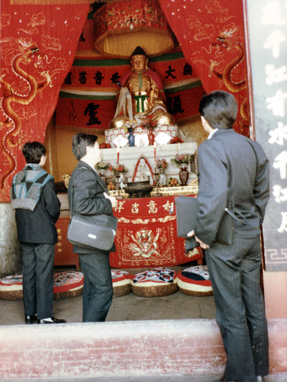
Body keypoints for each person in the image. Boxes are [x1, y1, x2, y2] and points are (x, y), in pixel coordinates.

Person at [187, 91, 270, 382]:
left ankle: (241, 376)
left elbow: (213, 197)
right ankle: (258, 370)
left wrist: (205, 234)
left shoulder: (210, 149)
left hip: (224, 238)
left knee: (230, 309)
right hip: (250, 234)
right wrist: (252, 220)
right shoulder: (252, 146)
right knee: (254, 304)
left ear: (204, 120)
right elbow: (262, 192)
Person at [10, 141, 65, 324]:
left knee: (29, 273)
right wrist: (50, 221)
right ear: (42, 158)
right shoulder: (45, 178)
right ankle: (45, 316)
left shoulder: (17, 177)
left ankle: (29, 314)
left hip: (24, 232)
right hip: (43, 233)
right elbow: (53, 207)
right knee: (44, 273)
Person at [68, 133, 117, 322]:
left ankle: (86, 332)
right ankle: (91, 335)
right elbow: (81, 205)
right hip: (91, 241)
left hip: (89, 239)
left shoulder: (85, 170)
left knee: (92, 288)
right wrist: (108, 203)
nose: (99, 151)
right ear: (88, 149)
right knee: (103, 289)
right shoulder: (84, 173)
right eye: (97, 147)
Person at [110, 46, 174, 129]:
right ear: (131, 62)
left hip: (150, 116)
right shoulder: (126, 78)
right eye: (135, 60)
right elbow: (121, 102)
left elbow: (159, 98)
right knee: (116, 123)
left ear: (146, 61)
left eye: (141, 60)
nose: (138, 63)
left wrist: (158, 110)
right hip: (130, 118)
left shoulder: (153, 76)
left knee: (166, 119)